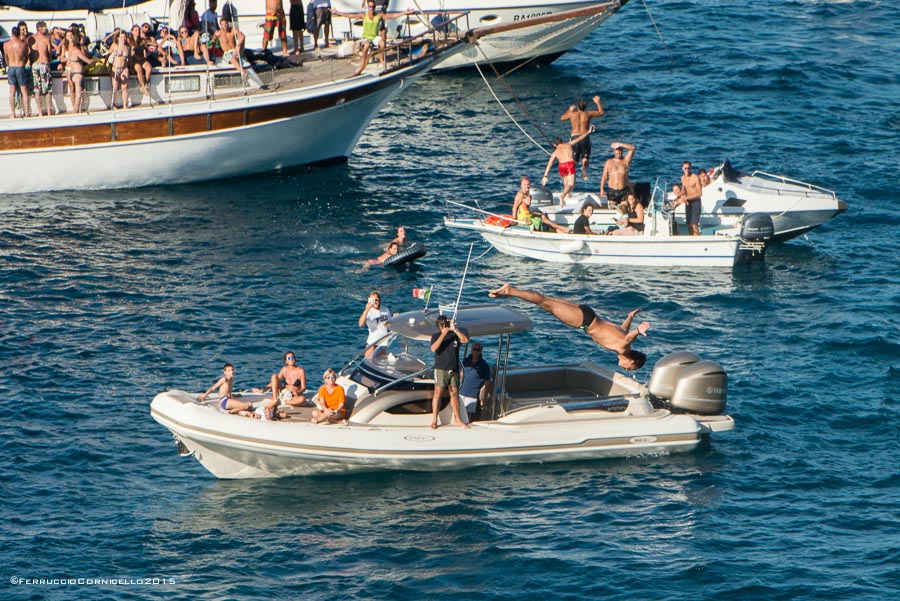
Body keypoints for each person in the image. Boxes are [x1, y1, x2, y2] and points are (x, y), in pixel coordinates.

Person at [488, 284, 649, 371]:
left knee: (546, 302)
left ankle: (510, 291)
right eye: (631, 368)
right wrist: (638, 331)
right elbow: (628, 338)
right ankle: (511, 290)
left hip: (588, 314)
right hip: (584, 321)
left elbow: (623, 331)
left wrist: (630, 317)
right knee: (544, 303)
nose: (627, 370)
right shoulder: (623, 349)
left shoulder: (619, 339)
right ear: (631, 361)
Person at [332, 2, 412, 76]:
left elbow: (391, 16)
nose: (371, 8)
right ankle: (362, 62)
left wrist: (404, 12)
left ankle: (381, 59)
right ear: (368, 7)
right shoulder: (364, 16)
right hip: (366, 36)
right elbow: (350, 15)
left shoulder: (378, 16)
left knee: (382, 43)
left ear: (375, 7)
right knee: (366, 45)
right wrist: (338, 12)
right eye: (370, 6)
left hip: (374, 37)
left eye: (373, 7)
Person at [430, 315, 470, 429]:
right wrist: (443, 334)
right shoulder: (436, 336)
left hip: (454, 369)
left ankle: (458, 418)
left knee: (454, 393)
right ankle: (434, 420)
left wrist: (455, 329)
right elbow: (433, 348)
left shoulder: (455, 336)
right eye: (444, 324)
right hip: (441, 369)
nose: (446, 325)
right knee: (438, 393)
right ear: (440, 326)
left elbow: (465, 340)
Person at [541, 126, 595, 204]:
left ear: (554, 144)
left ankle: (568, 196)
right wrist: (588, 132)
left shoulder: (555, 152)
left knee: (566, 183)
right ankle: (562, 196)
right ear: (562, 141)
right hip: (569, 164)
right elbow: (579, 139)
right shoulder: (568, 144)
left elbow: (550, 164)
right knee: (571, 185)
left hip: (561, 166)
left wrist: (545, 176)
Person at [560, 96, 604, 180]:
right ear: (585, 106)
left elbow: (562, 118)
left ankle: (570, 176)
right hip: (585, 137)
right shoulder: (588, 114)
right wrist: (598, 102)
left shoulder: (572, 114)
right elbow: (601, 112)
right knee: (585, 157)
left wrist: (569, 110)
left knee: (574, 160)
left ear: (577, 106)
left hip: (575, 138)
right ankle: (584, 166)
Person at [61, 31, 96, 114]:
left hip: (73, 73)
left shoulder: (71, 50)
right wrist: (96, 60)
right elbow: (88, 61)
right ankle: (76, 110)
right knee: (78, 94)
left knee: (78, 92)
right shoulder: (76, 51)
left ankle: (78, 109)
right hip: (77, 73)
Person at [459, 342, 492, 422]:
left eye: (478, 350)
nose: (476, 351)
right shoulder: (466, 361)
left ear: (481, 351)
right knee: (459, 416)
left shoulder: (484, 366)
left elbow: (487, 383)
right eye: (474, 349)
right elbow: (461, 373)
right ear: (471, 350)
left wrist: (484, 398)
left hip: (473, 395)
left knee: (470, 418)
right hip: (461, 393)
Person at [4, 25, 31, 118]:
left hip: (11, 67)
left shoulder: (6, 45)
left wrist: (9, 64)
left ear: (11, 33)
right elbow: (26, 57)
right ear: (19, 33)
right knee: (24, 91)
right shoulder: (23, 44)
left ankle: (13, 113)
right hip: (20, 66)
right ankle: (27, 112)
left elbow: (6, 58)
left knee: (12, 91)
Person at [600, 141, 635, 205]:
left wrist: (619, 144)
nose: (618, 152)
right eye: (617, 150)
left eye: (620, 150)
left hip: (623, 190)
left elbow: (632, 148)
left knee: (624, 210)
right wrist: (601, 189)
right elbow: (604, 176)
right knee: (612, 208)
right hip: (612, 190)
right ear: (614, 151)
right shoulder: (609, 162)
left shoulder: (626, 161)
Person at [30, 21, 54, 117]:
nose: (46, 29)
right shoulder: (46, 39)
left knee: (37, 89)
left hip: (35, 65)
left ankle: (40, 112)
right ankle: (48, 111)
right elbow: (50, 54)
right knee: (47, 90)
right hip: (44, 64)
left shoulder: (31, 39)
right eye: (45, 27)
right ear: (39, 28)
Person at [359, 291, 391, 356]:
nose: (375, 302)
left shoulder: (385, 310)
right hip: (372, 342)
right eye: (373, 300)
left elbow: (389, 323)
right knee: (368, 362)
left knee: (381, 364)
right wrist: (366, 310)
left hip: (383, 343)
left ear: (380, 300)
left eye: (376, 300)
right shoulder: (369, 312)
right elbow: (361, 324)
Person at [109, 31, 132, 109]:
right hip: (115, 68)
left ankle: (125, 104)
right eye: (121, 37)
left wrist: (131, 67)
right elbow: (107, 54)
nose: (123, 39)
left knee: (124, 87)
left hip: (124, 68)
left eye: (125, 37)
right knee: (115, 87)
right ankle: (113, 104)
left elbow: (130, 58)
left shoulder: (128, 46)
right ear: (118, 38)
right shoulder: (114, 45)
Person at [680, 160, 703, 236]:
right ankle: (691, 237)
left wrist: (688, 198)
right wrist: (678, 195)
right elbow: (683, 191)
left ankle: (697, 240)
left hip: (696, 202)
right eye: (685, 168)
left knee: (694, 224)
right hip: (688, 203)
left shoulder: (695, 178)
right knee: (689, 224)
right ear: (682, 168)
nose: (687, 170)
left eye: (688, 168)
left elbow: (700, 193)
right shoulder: (682, 178)